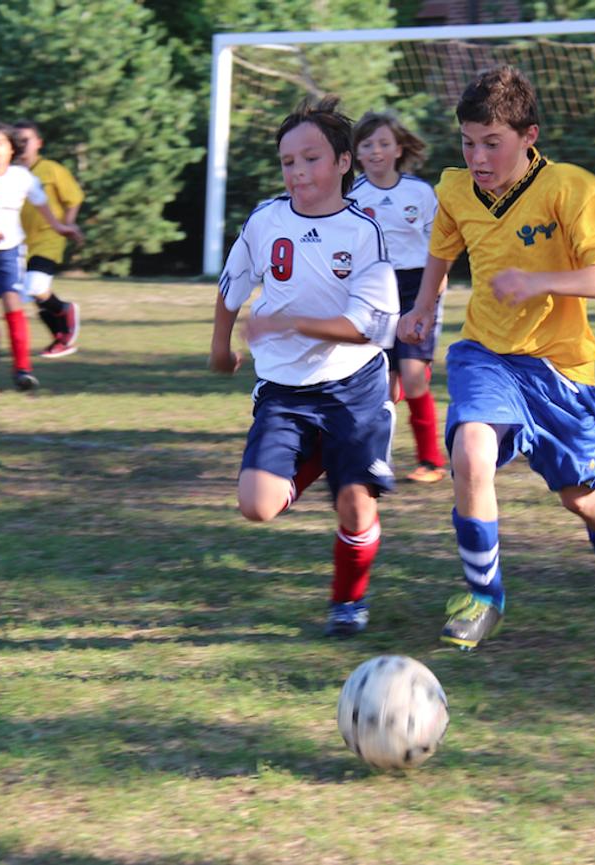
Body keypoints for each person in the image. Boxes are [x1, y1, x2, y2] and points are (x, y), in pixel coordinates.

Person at [398, 66, 595, 651]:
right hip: (486, 353)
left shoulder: (571, 189)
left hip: (560, 372)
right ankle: (483, 595)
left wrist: (538, 280)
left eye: (492, 142)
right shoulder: (455, 190)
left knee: (583, 500)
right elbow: (442, 251)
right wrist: (420, 308)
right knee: (471, 449)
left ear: (529, 136)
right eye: (468, 142)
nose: (478, 156)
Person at [210, 95, 399, 637]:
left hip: (353, 387)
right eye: (288, 161)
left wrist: (295, 323)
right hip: (284, 389)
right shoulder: (266, 219)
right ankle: (326, 455)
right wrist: (220, 348)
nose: (297, 171)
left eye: (311, 158)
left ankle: (347, 602)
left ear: (344, 163)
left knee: (355, 506)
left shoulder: (365, 231)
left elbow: (369, 326)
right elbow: (232, 286)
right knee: (256, 506)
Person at [350, 111, 448, 484]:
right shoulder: (352, 196)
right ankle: (371, 458)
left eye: (384, 143)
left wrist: (435, 291)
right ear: (356, 153)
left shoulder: (419, 192)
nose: (376, 151)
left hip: (417, 287)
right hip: (374, 290)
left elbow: (442, 245)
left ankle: (431, 461)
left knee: (411, 377)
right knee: (383, 385)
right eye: (367, 144)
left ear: (398, 149)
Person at [0, 121, 81, 391]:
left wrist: (60, 227)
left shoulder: (22, 177)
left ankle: (23, 370)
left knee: (12, 303)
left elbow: (40, 202)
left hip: (8, 250)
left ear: (11, 148)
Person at [13, 120, 85, 358]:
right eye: (17, 140)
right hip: (20, 241)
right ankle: (61, 338)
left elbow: (73, 198)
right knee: (31, 293)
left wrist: (68, 223)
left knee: (36, 286)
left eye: (27, 140)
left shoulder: (51, 169)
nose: (22, 145)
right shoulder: (11, 174)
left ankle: (66, 310)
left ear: (38, 143)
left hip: (49, 236)